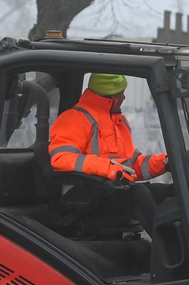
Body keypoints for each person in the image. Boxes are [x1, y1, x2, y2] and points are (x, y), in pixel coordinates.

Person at [48, 73, 171, 234]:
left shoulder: (119, 122)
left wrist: (166, 163)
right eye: (121, 92)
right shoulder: (74, 118)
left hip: (114, 192)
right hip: (84, 200)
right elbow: (61, 159)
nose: (124, 97)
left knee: (171, 192)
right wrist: (109, 169)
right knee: (138, 193)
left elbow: (133, 165)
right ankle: (170, 250)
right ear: (111, 96)